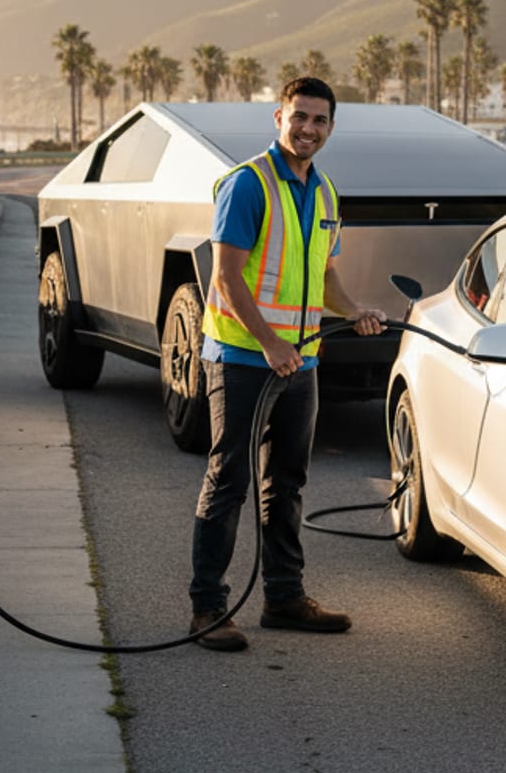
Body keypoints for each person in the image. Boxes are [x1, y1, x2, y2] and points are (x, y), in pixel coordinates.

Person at [188, 77, 386, 652]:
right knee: (229, 479)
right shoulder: (248, 185)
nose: (308, 129)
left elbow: (324, 280)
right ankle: (206, 608)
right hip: (244, 356)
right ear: (279, 117)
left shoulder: (325, 194)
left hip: (301, 363)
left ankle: (283, 597)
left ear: (330, 128)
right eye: (299, 117)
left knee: (287, 481)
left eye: (320, 121)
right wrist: (272, 343)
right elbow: (226, 276)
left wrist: (356, 311)